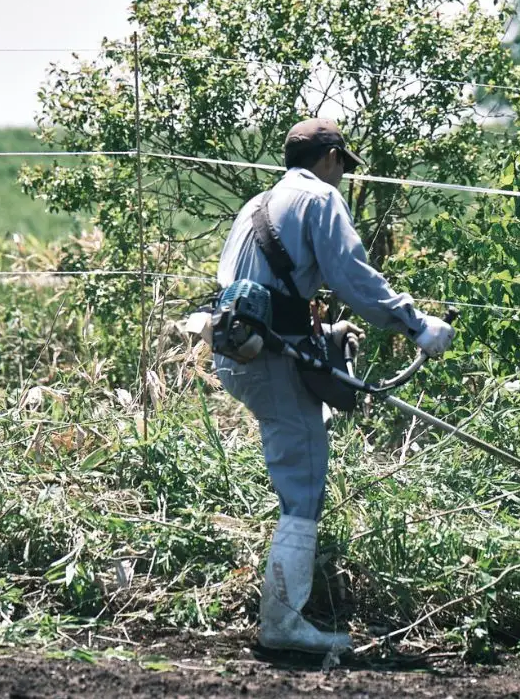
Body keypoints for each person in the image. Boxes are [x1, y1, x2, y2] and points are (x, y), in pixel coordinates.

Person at [213, 117, 455, 655]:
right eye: (342, 166)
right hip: (270, 358)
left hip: (237, 350)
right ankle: (283, 624)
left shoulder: (258, 202)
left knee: (301, 466)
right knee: (304, 484)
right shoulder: (320, 198)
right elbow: (352, 277)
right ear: (330, 158)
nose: (341, 176)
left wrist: (316, 331)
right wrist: (417, 323)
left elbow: (256, 289)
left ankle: (288, 611)